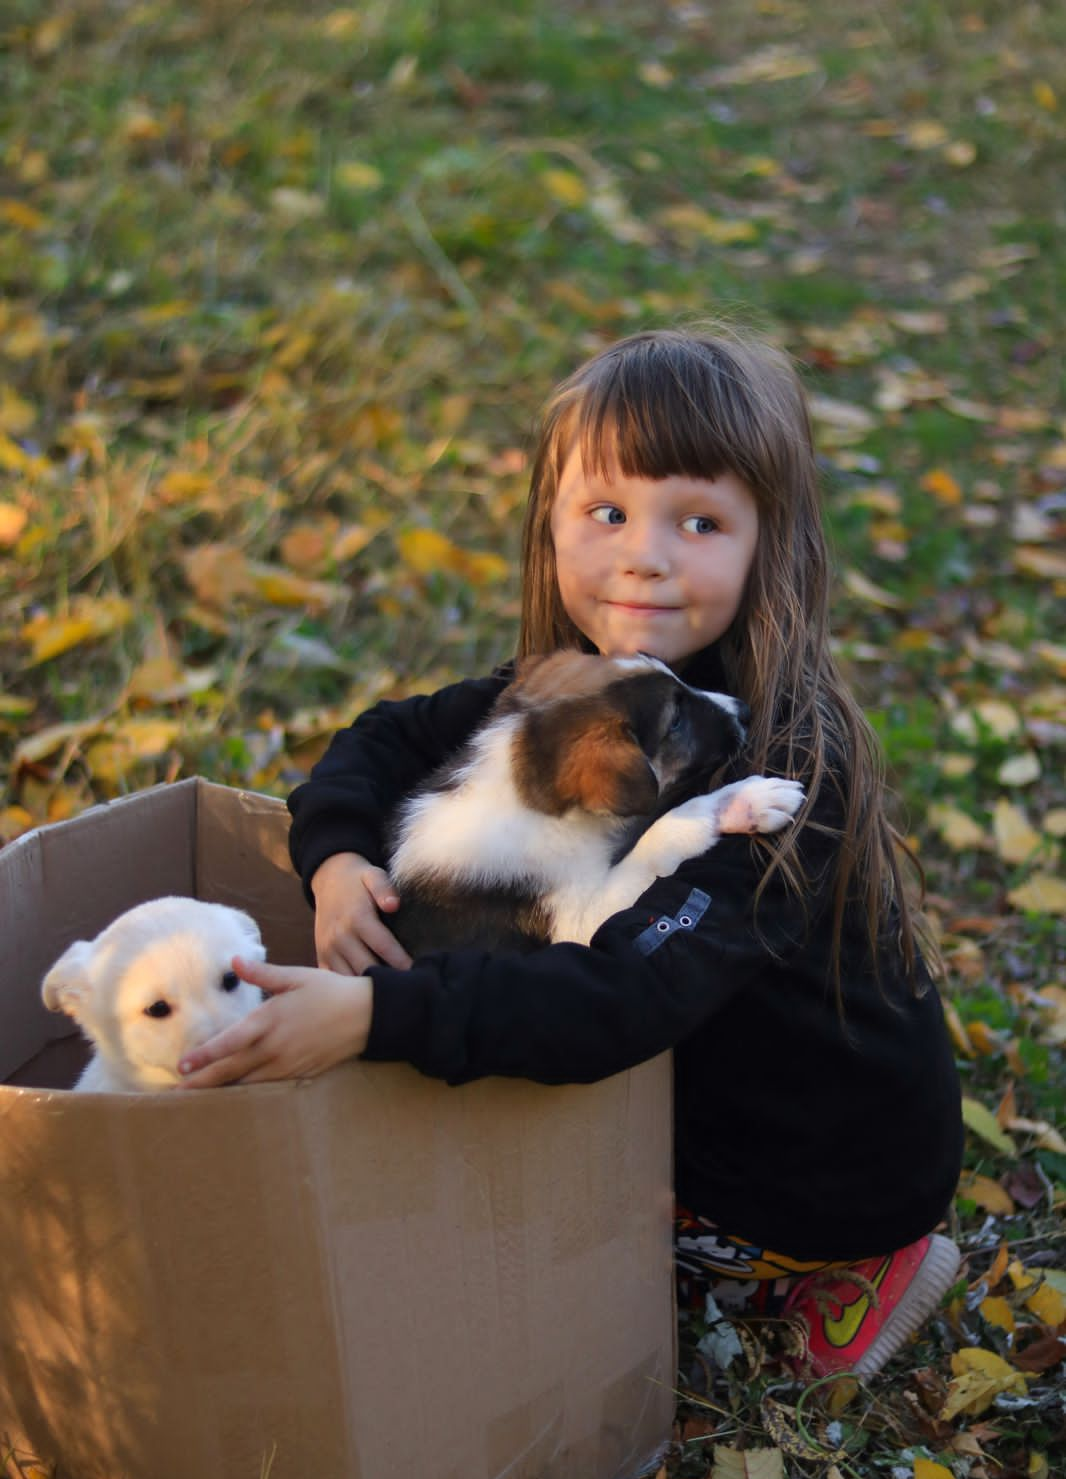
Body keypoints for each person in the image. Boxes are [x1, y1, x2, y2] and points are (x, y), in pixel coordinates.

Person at [178, 328, 964, 1378]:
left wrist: (372, 1017)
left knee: (495, 1128)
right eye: (607, 513)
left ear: (768, 543)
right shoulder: (576, 681)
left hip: (813, 1163)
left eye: (697, 520)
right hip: (686, 1078)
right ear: (548, 523)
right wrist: (332, 859)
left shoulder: (786, 772)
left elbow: (613, 999)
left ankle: (835, 1269)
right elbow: (385, 735)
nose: (644, 554)